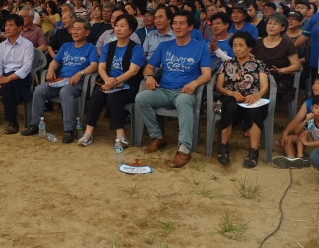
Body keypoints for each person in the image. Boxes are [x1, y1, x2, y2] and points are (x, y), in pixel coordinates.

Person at [135, 11, 212, 168]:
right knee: (141, 98)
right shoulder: (164, 46)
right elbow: (149, 67)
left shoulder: (201, 47)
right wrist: (148, 77)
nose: (177, 26)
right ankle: (157, 137)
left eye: (181, 23)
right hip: (164, 90)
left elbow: (207, 75)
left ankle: (184, 149)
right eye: (175, 23)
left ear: (190, 26)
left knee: (183, 101)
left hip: (185, 91)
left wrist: (194, 83)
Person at [21, 18, 98, 143]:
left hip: (77, 82)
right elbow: (55, 62)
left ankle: (68, 130)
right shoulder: (66, 46)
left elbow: (94, 65)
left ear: (87, 32)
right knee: (39, 90)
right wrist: (51, 70)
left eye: (79, 29)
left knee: (65, 92)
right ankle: (35, 125)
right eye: (73, 29)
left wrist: (80, 73)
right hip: (61, 80)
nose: (75, 32)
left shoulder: (91, 48)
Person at [79, 14, 145, 147]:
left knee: (113, 98)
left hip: (128, 85)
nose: (118, 29)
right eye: (116, 25)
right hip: (108, 82)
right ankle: (88, 133)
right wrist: (107, 80)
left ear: (130, 30)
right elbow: (101, 67)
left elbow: (133, 71)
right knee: (96, 95)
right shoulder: (109, 47)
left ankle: (120, 136)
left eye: (122, 26)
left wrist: (113, 82)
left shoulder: (136, 48)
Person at [214, 32, 270, 168]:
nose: (237, 48)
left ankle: (254, 150)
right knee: (230, 108)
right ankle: (224, 146)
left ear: (249, 47)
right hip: (231, 97)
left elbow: (265, 86)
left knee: (255, 111)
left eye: (241, 45)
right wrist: (231, 92)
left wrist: (256, 96)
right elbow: (219, 87)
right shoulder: (227, 64)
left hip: (252, 98)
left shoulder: (258, 64)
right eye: (234, 46)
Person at [0, 14, 35, 133]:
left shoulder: (27, 44)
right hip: (4, 75)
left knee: (6, 86)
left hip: (20, 77)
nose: (7, 28)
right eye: (6, 25)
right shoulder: (3, 45)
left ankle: (12, 122)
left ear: (19, 28)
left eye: (11, 25)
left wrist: (8, 79)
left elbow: (27, 67)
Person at [274, 94, 319, 169]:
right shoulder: (311, 120)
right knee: (292, 137)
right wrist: (305, 120)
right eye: (316, 108)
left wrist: (308, 143)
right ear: (312, 108)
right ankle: (295, 158)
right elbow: (296, 131)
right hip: (310, 147)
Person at [252, 12, 301, 105]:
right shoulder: (258, 42)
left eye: (275, 24)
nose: (271, 26)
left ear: (283, 28)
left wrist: (282, 70)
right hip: (258, 77)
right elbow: (250, 61)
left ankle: (261, 116)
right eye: (269, 23)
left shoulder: (287, 44)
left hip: (278, 78)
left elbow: (296, 65)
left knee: (263, 91)